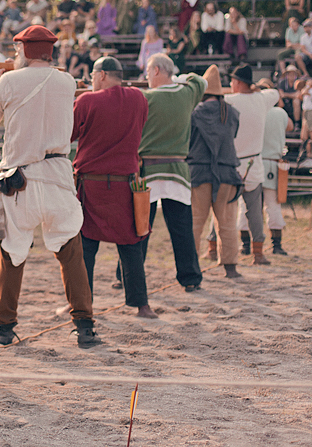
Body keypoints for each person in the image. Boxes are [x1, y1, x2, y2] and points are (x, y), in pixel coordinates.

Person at [0, 25, 101, 349]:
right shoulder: (67, 80)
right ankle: (84, 325)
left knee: (13, 251)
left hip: (20, 180)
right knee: (71, 251)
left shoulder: (11, 81)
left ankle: (4, 326)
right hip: (57, 174)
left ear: (26, 50)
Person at [73, 56, 157, 319]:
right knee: (131, 243)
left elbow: (70, 133)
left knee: (85, 245)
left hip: (92, 185)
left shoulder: (87, 100)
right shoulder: (138, 98)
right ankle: (141, 304)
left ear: (99, 76)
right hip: (125, 184)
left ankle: (82, 303)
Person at [135, 53, 206, 292]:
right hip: (177, 169)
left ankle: (128, 276)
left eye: (148, 70)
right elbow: (201, 80)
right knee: (182, 228)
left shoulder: (144, 98)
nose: (146, 76)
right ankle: (191, 278)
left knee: (140, 227)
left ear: (156, 71)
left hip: (148, 170)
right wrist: (180, 78)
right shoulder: (186, 94)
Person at [189, 65, 244, 278]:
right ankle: (230, 268)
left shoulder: (195, 113)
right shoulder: (232, 112)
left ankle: (192, 267)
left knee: (195, 223)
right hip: (227, 173)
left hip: (199, 174)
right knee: (227, 223)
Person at [225, 64, 280, 265]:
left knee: (222, 209)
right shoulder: (261, 99)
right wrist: (255, 89)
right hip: (253, 161)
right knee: (254, 211)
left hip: (233, 163)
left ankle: (214, 247)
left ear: (238, 83)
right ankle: (258, 253)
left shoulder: (228, 100)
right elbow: (274, 92)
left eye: (233, 81)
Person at [244, 79, 293, 255]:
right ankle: (276, 245)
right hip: (272, 163)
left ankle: (246, 245)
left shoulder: (252, 110)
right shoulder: (280, 113)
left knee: (248, 205)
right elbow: (290, 126)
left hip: (254, 161)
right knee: (273, 205)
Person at [296, 77, 312, 167]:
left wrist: (308, 86)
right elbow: (299, 96)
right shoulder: (307, 90)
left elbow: (304, 92)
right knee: (304, 137)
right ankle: (307, 155)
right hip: (305, 113)